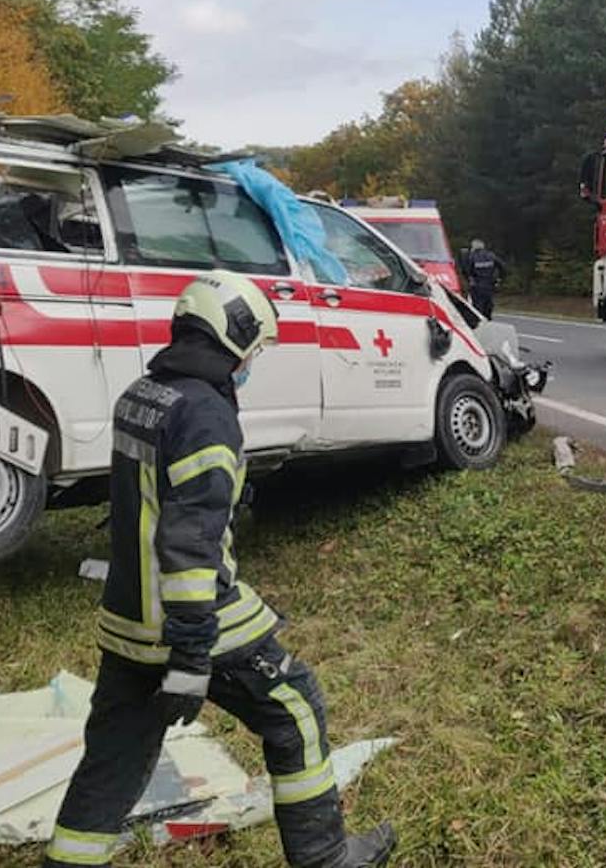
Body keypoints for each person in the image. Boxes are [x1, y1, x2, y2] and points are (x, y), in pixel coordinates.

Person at [44, 272, 397, 868]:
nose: (251, 364)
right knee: (296, 709)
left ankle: (68, 859)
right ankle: (326, 858)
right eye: (253, 350)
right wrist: (189, 659)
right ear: (231, 338)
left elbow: (155, 501)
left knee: (114, 757)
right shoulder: (206, 414)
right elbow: (188, 545)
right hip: (189, 622)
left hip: (127, 620)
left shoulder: (143, 393)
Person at [464, 238, 505, 319]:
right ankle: (488, 319)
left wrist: (470, 280)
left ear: (473, 247)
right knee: (488, 303)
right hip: (490, 284)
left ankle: (479, 322)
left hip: (477, 285)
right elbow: (502, 266)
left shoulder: (472, 257)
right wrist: (499, 278)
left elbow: (467, 270)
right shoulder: (491, 255)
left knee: (477, 307)